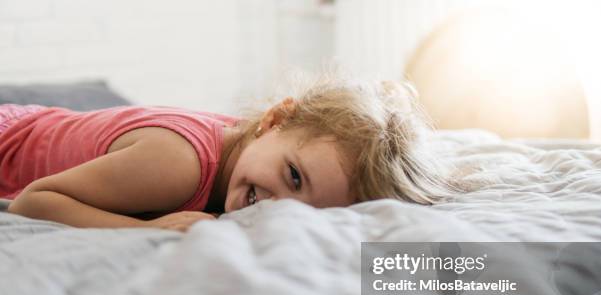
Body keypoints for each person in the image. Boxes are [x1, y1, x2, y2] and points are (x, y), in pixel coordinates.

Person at [1, 74, 459, 232]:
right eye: (294, 177)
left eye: (308, 211)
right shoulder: (176, 164)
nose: (278, 208)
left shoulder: (252, 148)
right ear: (276, 119)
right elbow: (33, 202)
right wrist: (139, 229)